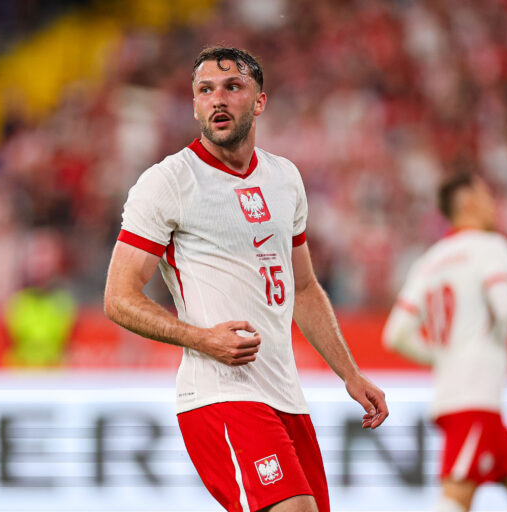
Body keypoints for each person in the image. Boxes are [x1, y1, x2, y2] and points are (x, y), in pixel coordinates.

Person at [104, 46, 388, 512]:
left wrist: (350, 374)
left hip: (285, 397)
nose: (217, 99)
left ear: (259, 101)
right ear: (194, 103)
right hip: (220, 395)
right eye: (204, 90)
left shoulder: (284, 178)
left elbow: (303, 288)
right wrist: (201, 338)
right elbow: (118, 297)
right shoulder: (169, 182)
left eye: (232, 87)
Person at [382, 173, 507, 512]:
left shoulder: (428, 261)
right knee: (456, 495)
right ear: (468, 203)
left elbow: (395, 334)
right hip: (473, 398)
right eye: (487, 196)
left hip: (462, 396)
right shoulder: (490, 247)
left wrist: (443, 358)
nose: (494, 204)